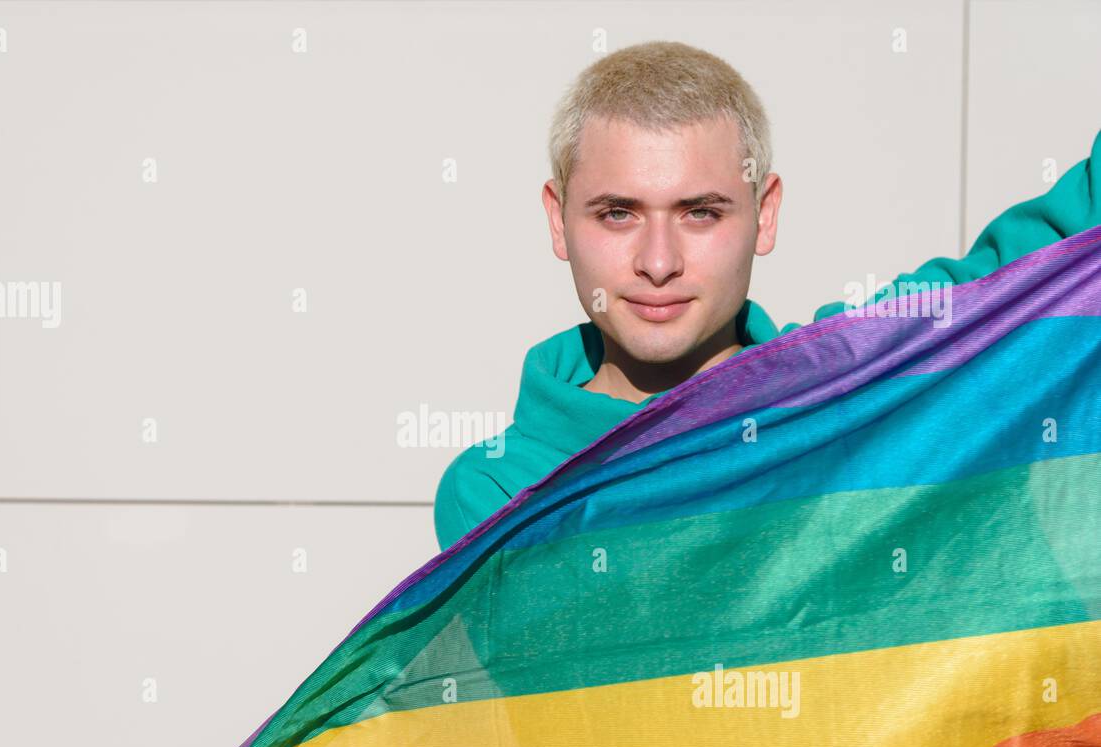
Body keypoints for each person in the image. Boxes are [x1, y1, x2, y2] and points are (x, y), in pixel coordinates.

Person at [433, 40, 1101, 552]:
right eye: (618, 213)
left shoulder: (849, 383)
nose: (658, 263)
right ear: (559, 221)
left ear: (765, 213)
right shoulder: (496, 491)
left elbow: (1050, 246)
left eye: (701, 213)